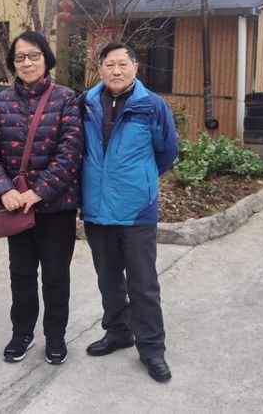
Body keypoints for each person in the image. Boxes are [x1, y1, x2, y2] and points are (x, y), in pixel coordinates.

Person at [0, 31, 83, 365]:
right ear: (13, 63)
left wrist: (38, 192)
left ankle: (55, 336)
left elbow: (70, 153)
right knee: (21, 274)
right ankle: (22, 333)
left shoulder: (66, 99)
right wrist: (4, 189)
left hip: (56, 207)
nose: (27, 62)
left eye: (34, 55)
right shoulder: (1, 102)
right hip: (15, 207)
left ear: (46, 59)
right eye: (20, 57)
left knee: (55, 276)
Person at [80, 42, 178, 383]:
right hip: (97, 209)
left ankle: (152, 349)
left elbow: (167, 151)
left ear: (136, 67)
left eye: (123, 64)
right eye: (109, 64)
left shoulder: (152, 105)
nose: (116, 70)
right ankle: (118, 331)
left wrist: (140, 181)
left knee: (143, 283)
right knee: (108, 279)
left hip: (136, 210)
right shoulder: (86, 103)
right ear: (100, 69)